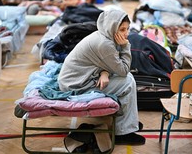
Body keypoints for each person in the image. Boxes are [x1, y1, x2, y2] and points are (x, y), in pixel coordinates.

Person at [58, 9, 145, 145]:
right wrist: (126, 46)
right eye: (122, 30)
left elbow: (109, 64)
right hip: (75, 86)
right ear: (111, 27)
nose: (126, 34)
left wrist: (104, 72)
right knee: (127, 81)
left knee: (125, 79)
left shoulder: (102, 35)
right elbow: (123, 70)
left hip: (80, 78)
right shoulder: (105, 44)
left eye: (127, 29)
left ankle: (127, 123)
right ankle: (123, 132)